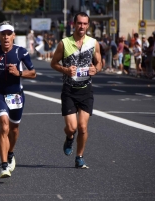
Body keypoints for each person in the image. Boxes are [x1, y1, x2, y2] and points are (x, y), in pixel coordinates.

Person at [0, 21, 36, 178]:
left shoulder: (21, 52)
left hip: (17, 96)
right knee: (4, 127)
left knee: (14, 129)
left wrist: (19, 73)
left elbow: (33, 73)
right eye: (3, 34)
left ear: (13, 36)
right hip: (0, 94)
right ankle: (4, 166)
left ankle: (11, 152)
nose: (6, 37)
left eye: (9, 34)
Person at [50, 12, 102, 169]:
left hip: (86, 90)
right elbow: (53, 63)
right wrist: (65, 70)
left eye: (85, 24)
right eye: (79, 23)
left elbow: (99, 63)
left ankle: (79, 157)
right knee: (72, 128)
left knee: (83, 127)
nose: (82, 26)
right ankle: (69, 137)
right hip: (69, 90)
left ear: (88, 25)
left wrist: (96, 70)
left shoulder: (93, 43)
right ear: (74, 24)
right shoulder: (64, 43)